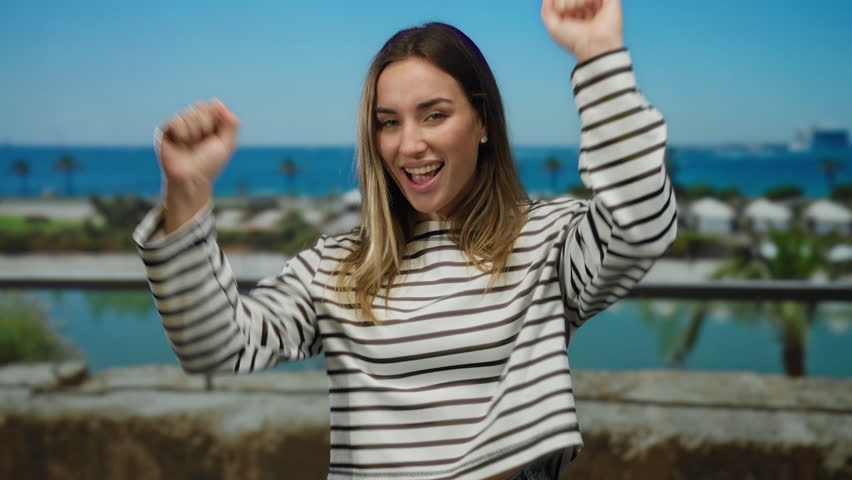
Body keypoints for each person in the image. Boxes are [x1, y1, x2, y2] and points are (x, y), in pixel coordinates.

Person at [133, 0, 677, 478]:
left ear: (482, 122)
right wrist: (186, 191)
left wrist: (598, 55)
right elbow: (216, 348)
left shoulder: (546, 240)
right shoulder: (337, 266)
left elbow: (641, 220)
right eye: (388, 122)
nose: (408, 144)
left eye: (434, 115)